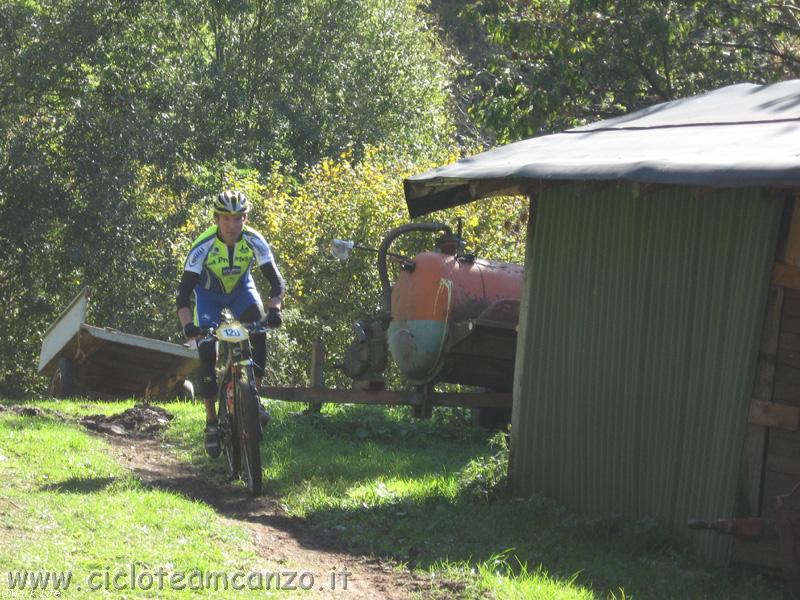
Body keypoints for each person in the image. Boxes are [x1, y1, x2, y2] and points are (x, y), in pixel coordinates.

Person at [176, 190, 285, 458]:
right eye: (226, 219)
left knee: (259, 332)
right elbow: (183, 293)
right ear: (216, 219)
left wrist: (275, 309)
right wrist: (189, 325)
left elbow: (276, 282)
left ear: (245, 219)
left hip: (241, 291)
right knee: (206, 353)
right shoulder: (203, 245)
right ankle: (212, 422)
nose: (232, 225)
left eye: (238, 219)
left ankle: (254, 398)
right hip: (208, 296)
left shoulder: (254, 240)